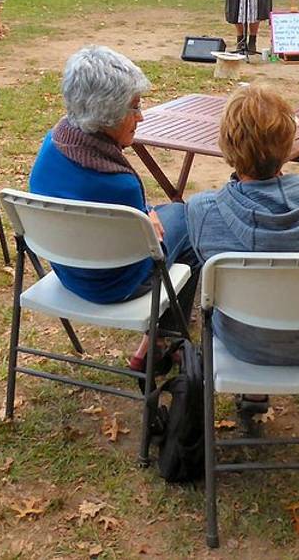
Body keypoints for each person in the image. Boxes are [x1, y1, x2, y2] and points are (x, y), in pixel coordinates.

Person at [187, 85, 299, 428]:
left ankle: (254, 392)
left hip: (244, 343)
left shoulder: (203, 210)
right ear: (290, 144)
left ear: (225, 145)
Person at [29, 45, 203, 370]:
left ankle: (161, 338)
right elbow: (154, 251)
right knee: (189, 222)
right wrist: (145, 216)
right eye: (134, 108)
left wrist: (144, 211)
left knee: (172, 215)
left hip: (67, 268)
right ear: (106, 114)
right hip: (113, 284)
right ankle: (162, 340)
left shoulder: (53, 144)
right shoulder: (117, 185)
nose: (141, 117)